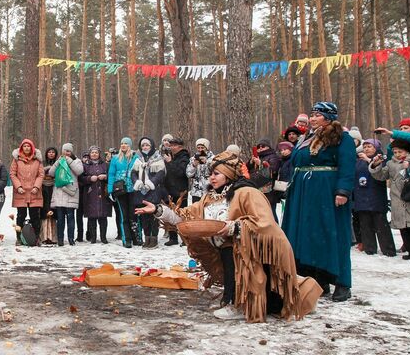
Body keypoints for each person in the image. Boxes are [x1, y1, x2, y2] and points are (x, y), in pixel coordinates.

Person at [136, 151, 322, 322]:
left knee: (266, 288)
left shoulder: (247, 193)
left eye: (216, 173)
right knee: (226, 253)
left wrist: (235, 227)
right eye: (211, 174)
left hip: (252, 251)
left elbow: (264, 223)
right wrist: (159, 210)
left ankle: (241, 304)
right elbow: (185, 217)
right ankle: (232, 299)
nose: (212, 178)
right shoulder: (210, 197)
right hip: (227, 251)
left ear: (229, 173)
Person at [281, 102, 356, 302]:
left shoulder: (342, 138)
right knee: (309, 235)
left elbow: (348, 166)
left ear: (329, 117)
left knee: (333, 234)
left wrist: (343, 191)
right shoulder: (307, 138)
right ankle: (318, 278)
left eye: (317, 115)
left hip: (327, 192)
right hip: (305, 194)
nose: (313, 118)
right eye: (312, 115)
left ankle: (342, 282)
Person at [369, 139, 410, 262]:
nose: (398, 154)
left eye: (400, 151)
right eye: (395, 152)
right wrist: (375, 165)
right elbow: (381, 176)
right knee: (404, 227)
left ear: (408, 151)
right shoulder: (391, 163)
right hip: (398, 199)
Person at [352, 139, 395, 257]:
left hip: (376, 196)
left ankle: (388, 249)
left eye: (369, 146)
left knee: (381, 224)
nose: (366, 149)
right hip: (361, 196)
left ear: (376, 148)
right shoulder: (358, 160)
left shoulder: (381, 158)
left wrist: (369, 161)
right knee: (365, 224)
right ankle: (369, 248)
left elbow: (382, 172)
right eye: (364, 147)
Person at [131, 137, 167, 249]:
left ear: (151, 146)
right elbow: (133, 173)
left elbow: (161, 174)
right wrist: (136, 182)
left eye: (147, 145)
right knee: (144, 216)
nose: (145, 147)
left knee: (153, 216)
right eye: (143, 146)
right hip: (141, 191)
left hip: (153, 190)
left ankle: (154, 239)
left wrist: (150, 183)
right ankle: (147, 238)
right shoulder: (138, 158)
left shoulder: (157, 158)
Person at [9, 139, 44, 244]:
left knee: (35, 217)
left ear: (32, 148)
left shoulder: (37, 160)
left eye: (29, 146)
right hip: (21, 192)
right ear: (21, 148)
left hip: (34, 192)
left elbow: (41, 175)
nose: (27, 148)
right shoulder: (16, 160)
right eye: (24, 146)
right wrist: (18, 186)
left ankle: (37, 238)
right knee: (21, 215)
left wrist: (36, 187)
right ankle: (19, 238)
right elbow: (12, 174)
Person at [48, 143, 84, 246]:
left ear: (71, 152)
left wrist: (68, 160)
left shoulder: (76, 161)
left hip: (71, 192)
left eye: (68, 151)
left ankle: (71, 238)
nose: (66, 153)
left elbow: (79, 171)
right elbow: (51, 173)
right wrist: (58, 163)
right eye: (64, 151)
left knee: (71, 218)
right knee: (60, 219)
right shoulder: (59, 160)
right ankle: (60, 239)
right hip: (60, 192)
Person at [108, 137, 139, 248]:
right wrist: (110, 190)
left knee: (134, 214)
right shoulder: (115, 158)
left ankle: (137, 238)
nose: (123, 145)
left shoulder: (135, 157)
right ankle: (127, 239)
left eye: (126, 143)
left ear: (130, 145)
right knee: (123, 215)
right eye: (121, 143)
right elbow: (111, 174)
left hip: (133, 190)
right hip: (120, 190)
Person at [79, 146, 111, 244]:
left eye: (96, 152)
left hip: (103, 194)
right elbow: (80, 178)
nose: (94, 154)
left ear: (99, 154)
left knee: (103, 217)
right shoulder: (85, 165)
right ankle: (93, 238)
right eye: (92, 152)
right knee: (92, 217)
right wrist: (89, 178)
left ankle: (103, 238)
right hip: (90, 193)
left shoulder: (105, 165)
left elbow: (111, 176)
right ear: (89, 154)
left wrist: (105, 177)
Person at [162, 137, 190, 246]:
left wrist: (170, 163)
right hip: (169, 190)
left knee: (181, 216)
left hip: (180, 191)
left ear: (180, 146)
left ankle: (184, 238)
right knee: (170, 214)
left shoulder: (184, 157)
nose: (172, 147)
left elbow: (180, 173)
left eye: (174, 145)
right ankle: (173, 238)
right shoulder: (170, 156)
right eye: (171, 145)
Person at [249, 138, 282, 221]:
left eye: (263, 146)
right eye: (258, 147)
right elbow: (247, 170)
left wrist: (260, 164)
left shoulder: (273, 156)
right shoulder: (257, 157)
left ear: (268, 147)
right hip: (257, 188)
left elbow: (273, 170)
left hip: (269, 190)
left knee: (271, 213)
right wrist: (251, 162)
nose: (260, 148)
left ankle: (275, 232)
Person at [40, 147, 59, 244]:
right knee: (44, 210)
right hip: (43, 187)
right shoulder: (42, 162)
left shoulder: (58, 163)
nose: (51, 154)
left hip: (54, 187)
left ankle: (53, 237)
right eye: (49, 152)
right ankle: (44, 236)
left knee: (53, 210)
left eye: (53, 152)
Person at [187, 138, 214, 203]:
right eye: (198, 148)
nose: (200, 150)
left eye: (202, 148)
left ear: (207, 148)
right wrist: (193, 166)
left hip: (209, 190)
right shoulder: (193, 159)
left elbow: (215, 172)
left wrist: (207, 163)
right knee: (196, 212)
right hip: (196, 192)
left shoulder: (213, 158)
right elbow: (188, 174)